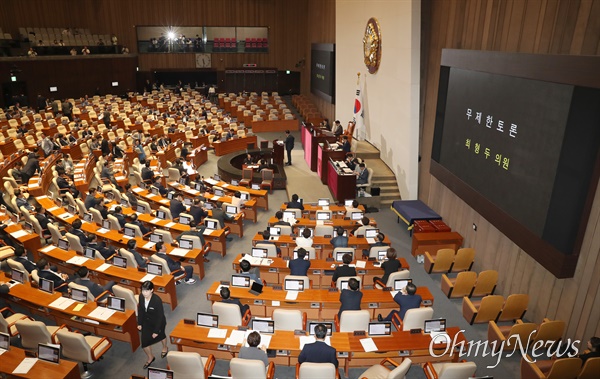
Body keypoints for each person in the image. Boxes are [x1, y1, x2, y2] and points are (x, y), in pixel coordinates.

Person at [138, 281, 168, 369]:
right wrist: (139, 323)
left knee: (161, 336)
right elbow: (141, 310)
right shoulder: (141, 297)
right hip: (146, 322)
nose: (144, 293)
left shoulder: (157, 300)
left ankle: (165, 347)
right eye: (143, 291)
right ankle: (150, 357)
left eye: (146, 291)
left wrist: (156, 331)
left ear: (152, 290)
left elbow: (160, 316)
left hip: (158, 323)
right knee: (145, 343)